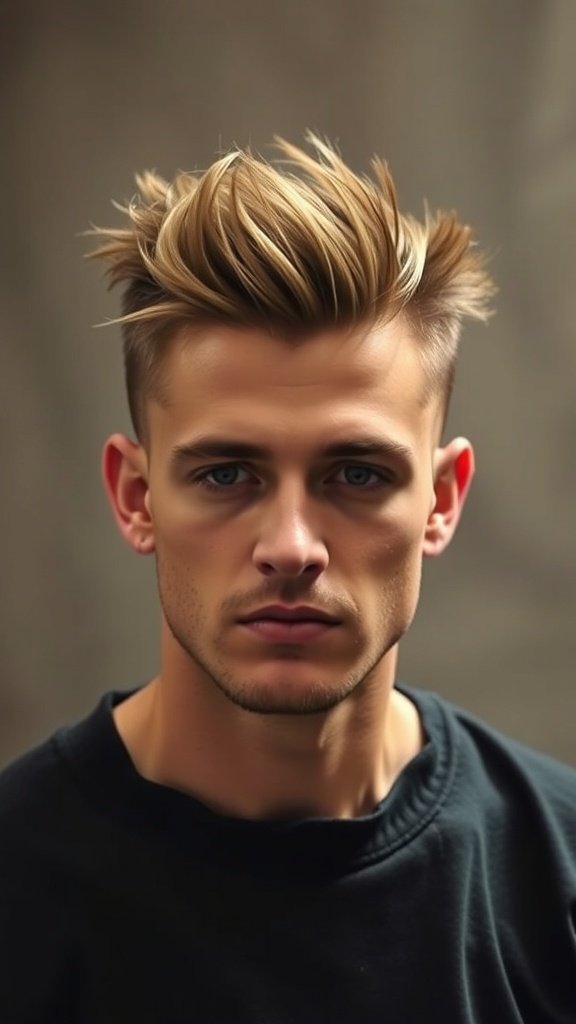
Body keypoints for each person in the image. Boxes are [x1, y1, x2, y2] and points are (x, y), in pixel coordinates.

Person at [0, 135, 574, 1024]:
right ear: (135, 495)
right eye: (227, 474)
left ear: (442, 498)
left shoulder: (559, 874)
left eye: (358, 474)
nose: (293, 546)